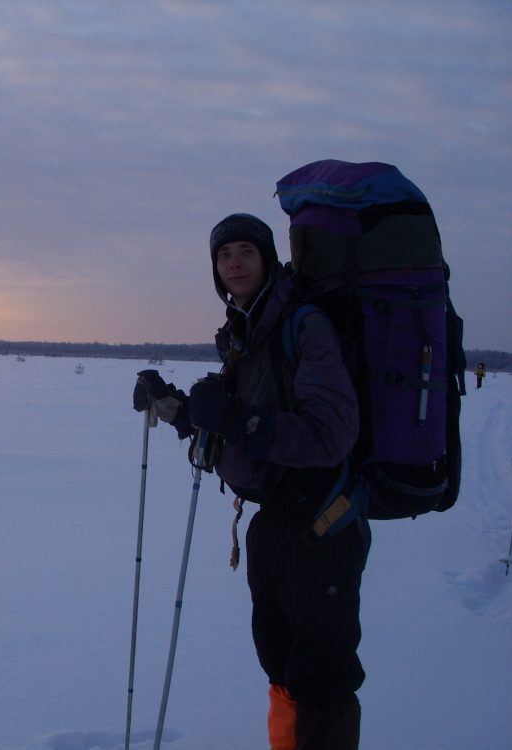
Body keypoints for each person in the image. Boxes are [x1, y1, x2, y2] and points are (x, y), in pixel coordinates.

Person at [132, 213, 369, 750]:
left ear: (267, 258)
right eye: (223, 255)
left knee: (321, 676)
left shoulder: (302, 325)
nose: (234, 263)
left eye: (245, 251)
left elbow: (330, 435)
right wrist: (178, 408)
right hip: (274, 524)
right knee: (281, 663)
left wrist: (235, 420)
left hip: (322, 523)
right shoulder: (245, 330)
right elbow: (237, 430)